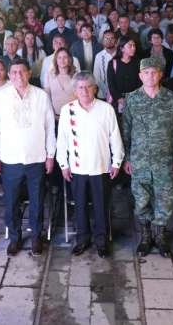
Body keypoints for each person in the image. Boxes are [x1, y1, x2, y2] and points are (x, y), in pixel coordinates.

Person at [122, 57, 173, 257]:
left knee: (165, 198)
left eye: (154, 72)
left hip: (165, 160)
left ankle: (160, 235)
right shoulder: (132, 99)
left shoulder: (171, 98)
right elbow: (125, 130)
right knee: (141, 198)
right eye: (146, 73)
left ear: (160, 74)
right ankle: (145, 236)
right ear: (140, 75)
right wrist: (126, 158)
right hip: (139, 160)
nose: (150, 76)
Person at [0, 58, 56, 257]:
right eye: (14, 72)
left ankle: (36, 236)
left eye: (22, 72)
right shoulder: (1, 97)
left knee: (37, 200)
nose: (18, 75)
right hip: (10, 159)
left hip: (36, 157)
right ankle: (15, 237)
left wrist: (50, 155)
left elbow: (49, 126)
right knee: (11, 201)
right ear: (9, 76)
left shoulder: (41, 96)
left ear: (29, 73)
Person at [56, 72, 123, 257]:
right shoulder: (66, 110)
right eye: (80, 87)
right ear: (75, 91)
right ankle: (82, 239)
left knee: (101, 206)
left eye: (88, 86)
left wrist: (117, 161)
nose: (84, 91)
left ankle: (101, 241)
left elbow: (115, 137)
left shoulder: (106, 109)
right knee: (80, 205)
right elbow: (61, 141)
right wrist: (63, 164)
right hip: (77, 168)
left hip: (101, 166)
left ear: (95, 88)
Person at [107, 37, 142, 114]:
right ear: (122, 48)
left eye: (134, 45)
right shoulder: (112, 63)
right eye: (130, 46)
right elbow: (111, 84)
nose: (133, 48)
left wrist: (134, 98)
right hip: (116, 101)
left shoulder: (137, 63)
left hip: (134, 100)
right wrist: (119, 98)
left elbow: (140, 83)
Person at [44, 48, 78, 118]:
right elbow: (47, 97)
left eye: (65, 57)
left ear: (69, 59)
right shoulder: (49, 75)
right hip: (54, 115)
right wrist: (51, 113)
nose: (62, 60)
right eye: (59, 57)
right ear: (56, 60)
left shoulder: (76, 75)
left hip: (72, 116)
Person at [93, 30, 117, 100]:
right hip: (103, 93)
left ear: (115, 40)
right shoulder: (99, 56)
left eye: (112, 38)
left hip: (119, 93)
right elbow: (96, 77)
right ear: (102, 41)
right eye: (106, 38)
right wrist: (106, 91)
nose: (109, 41)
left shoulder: (120, 54)